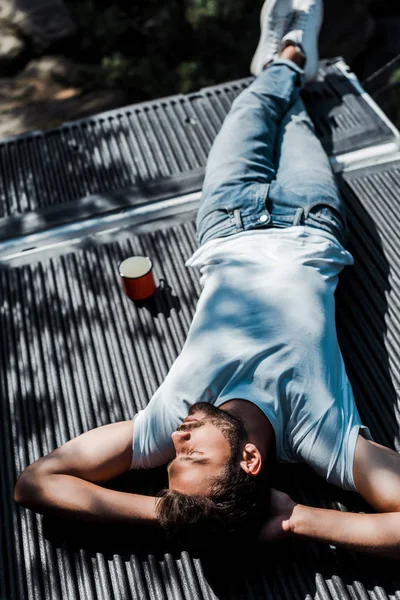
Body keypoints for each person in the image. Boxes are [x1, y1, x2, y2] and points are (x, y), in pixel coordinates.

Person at [14, 0, 400, 557]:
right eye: (192, 455)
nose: (176, 441)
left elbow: (36, 482)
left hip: (227, 221)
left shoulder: (177, 417)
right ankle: (288, 58)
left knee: (252, 108)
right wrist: (295, 520)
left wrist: (181, 515)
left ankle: (286, 56)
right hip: (311, 219)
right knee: (293, 119)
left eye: (174, 458)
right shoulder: (318, 435)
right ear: (249, 460)